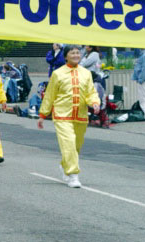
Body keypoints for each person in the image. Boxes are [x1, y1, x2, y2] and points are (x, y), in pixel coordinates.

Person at [38, 44, 100, 189]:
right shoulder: (58, 74)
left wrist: (95, 102)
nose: (76, 55)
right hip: (62, 115)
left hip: (81, 115)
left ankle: (65, 165)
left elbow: (90, 92)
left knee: (76, 146)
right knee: (69, 143)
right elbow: (50, 95)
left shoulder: (86, 73)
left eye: (78, 53)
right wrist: (43, 114)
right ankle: (73, 175)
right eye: (72, 53)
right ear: (66, 56)